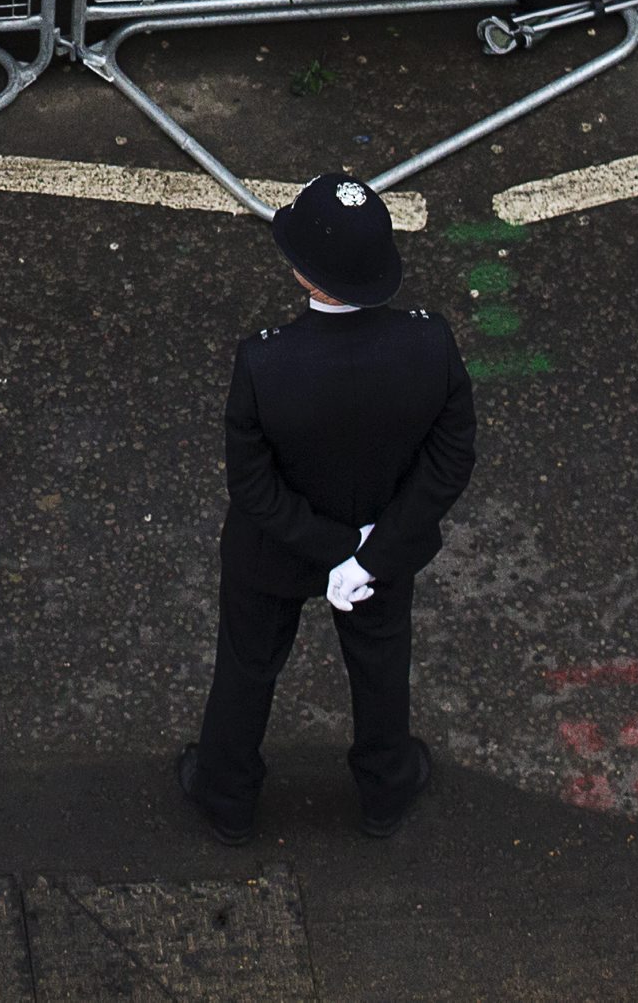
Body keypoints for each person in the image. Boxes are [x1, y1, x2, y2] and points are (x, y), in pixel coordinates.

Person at [176, 173, 474, 848]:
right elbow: (450, 460)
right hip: (385, 545)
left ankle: (226, 794)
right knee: (380, 663)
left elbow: (252, 487)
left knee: (249, 665)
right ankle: (385, 790)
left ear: (304, 273)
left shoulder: (264, 362)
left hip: (275, 551)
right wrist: (368, 553)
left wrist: (333, 547)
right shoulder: (430, 343)